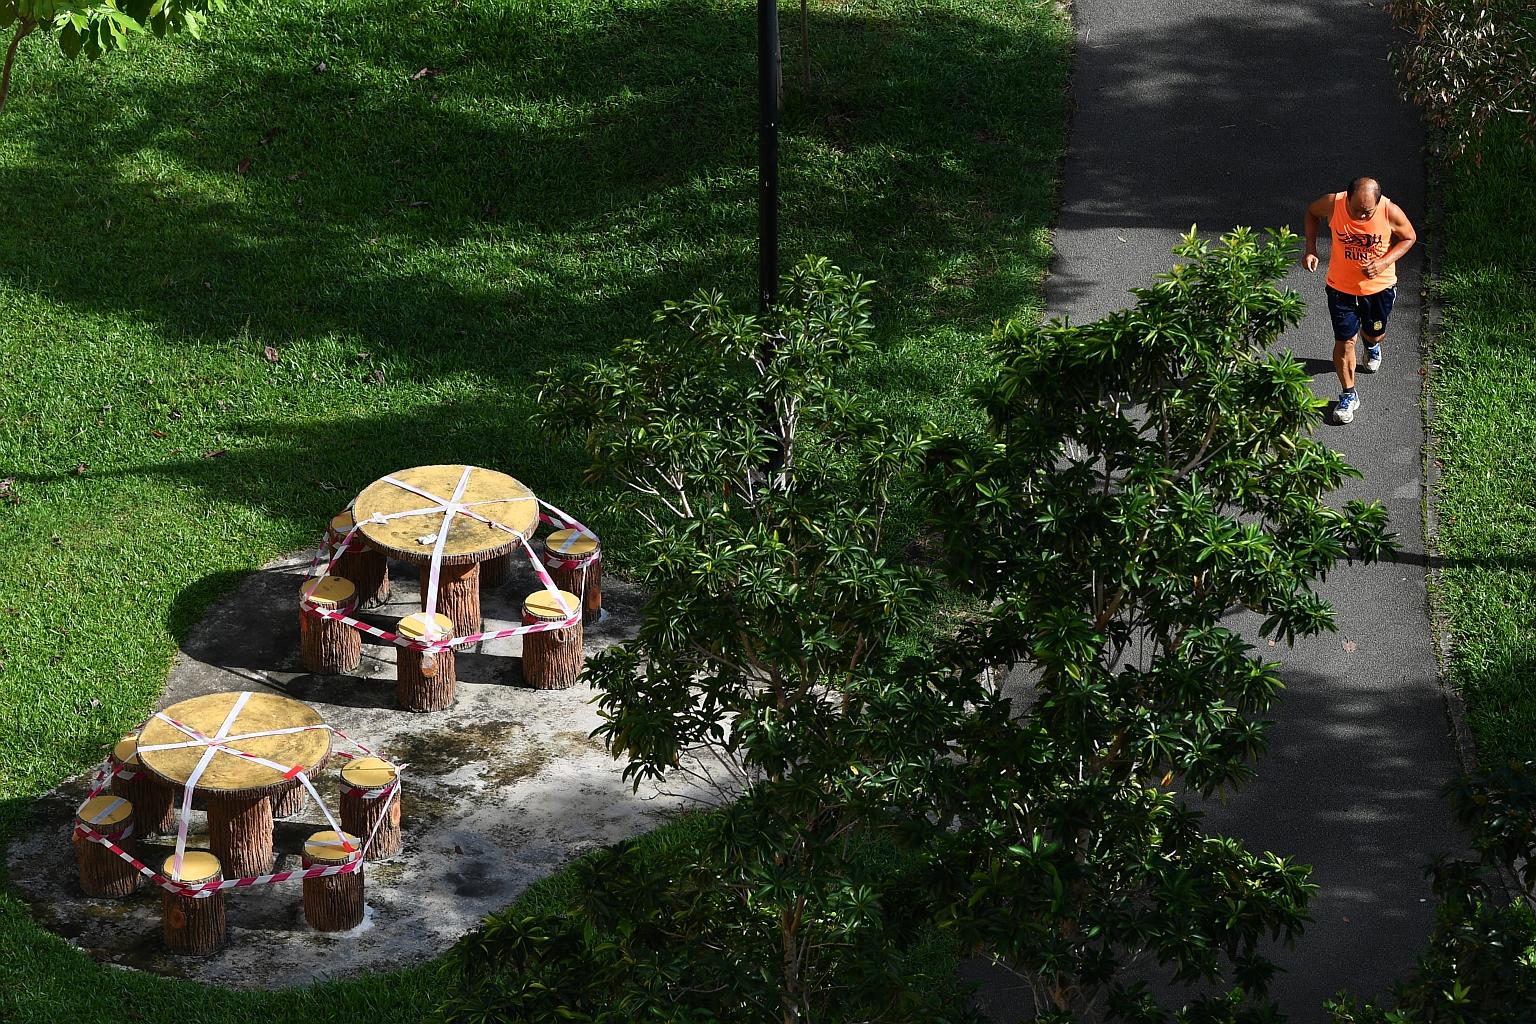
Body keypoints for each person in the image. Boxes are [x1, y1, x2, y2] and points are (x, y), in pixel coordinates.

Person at [1302, 177, 1417, 424]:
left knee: (1374, 333)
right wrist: (1311, 248)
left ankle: (1372, 344)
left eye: (1367, 213)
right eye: (1356, 211)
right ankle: (1348, 394)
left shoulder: (1389, 211)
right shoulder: (1333, 203)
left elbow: (1409, 237)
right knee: (1344, 343)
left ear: (1377, 204)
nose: (1361, 217)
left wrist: (1384, 262)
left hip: (1379, 290)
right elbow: (1312, 213)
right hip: (1340, 288)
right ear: (1348, 197)